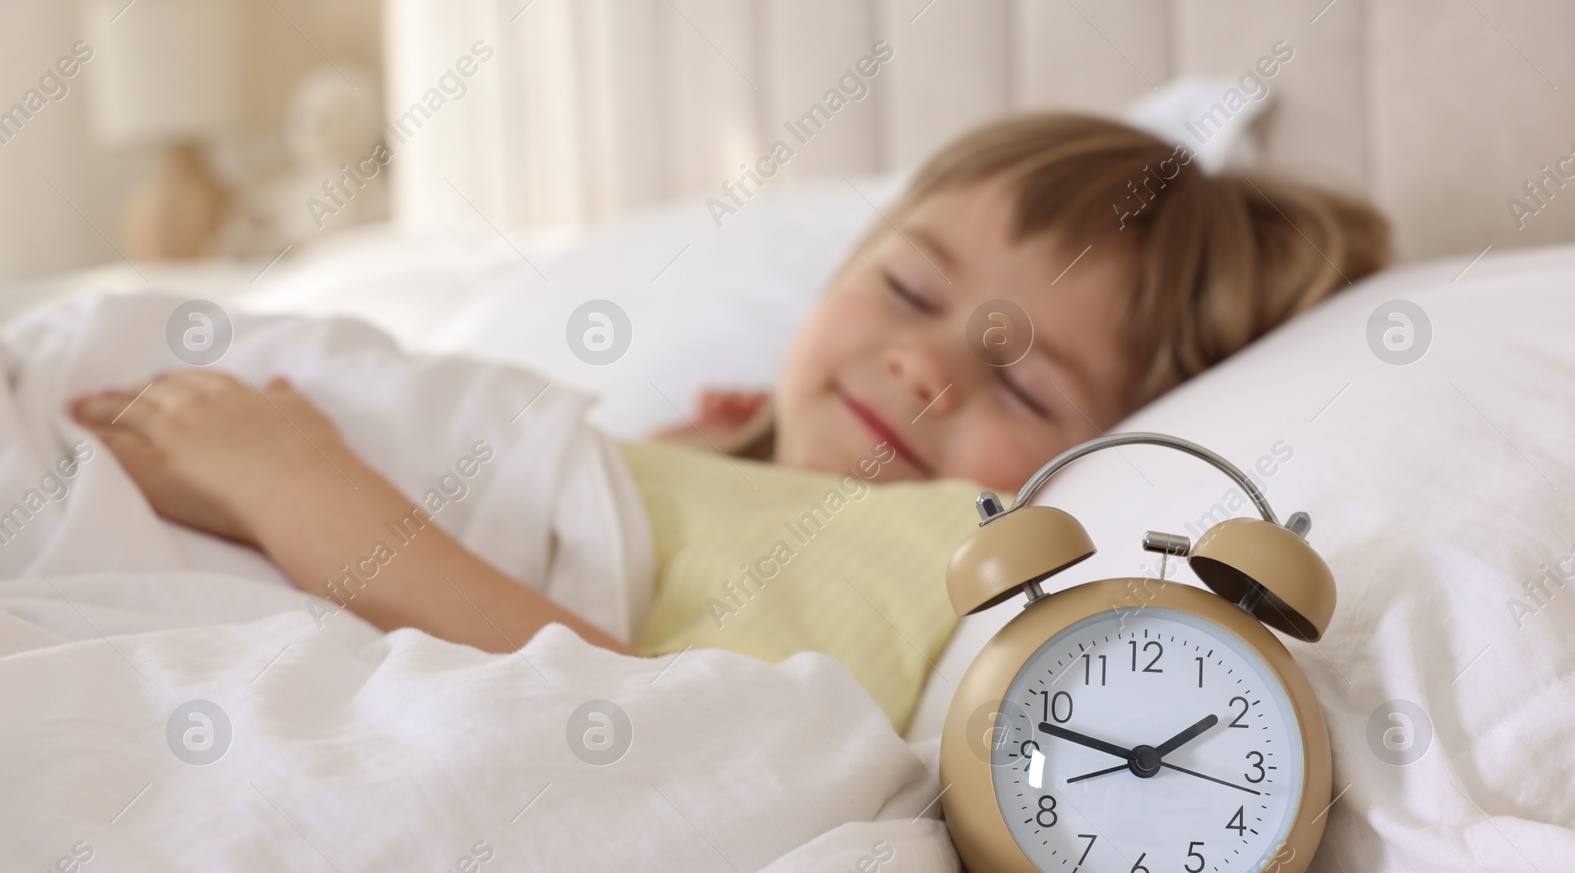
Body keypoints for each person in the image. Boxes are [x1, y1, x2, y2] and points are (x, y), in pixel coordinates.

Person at [67, 113, 1390, 730]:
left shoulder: (934, 536)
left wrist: (295, 482)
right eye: (910, 290)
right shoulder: (688, 442)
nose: (925, 367)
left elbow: (663, 727)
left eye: (1026, 387)